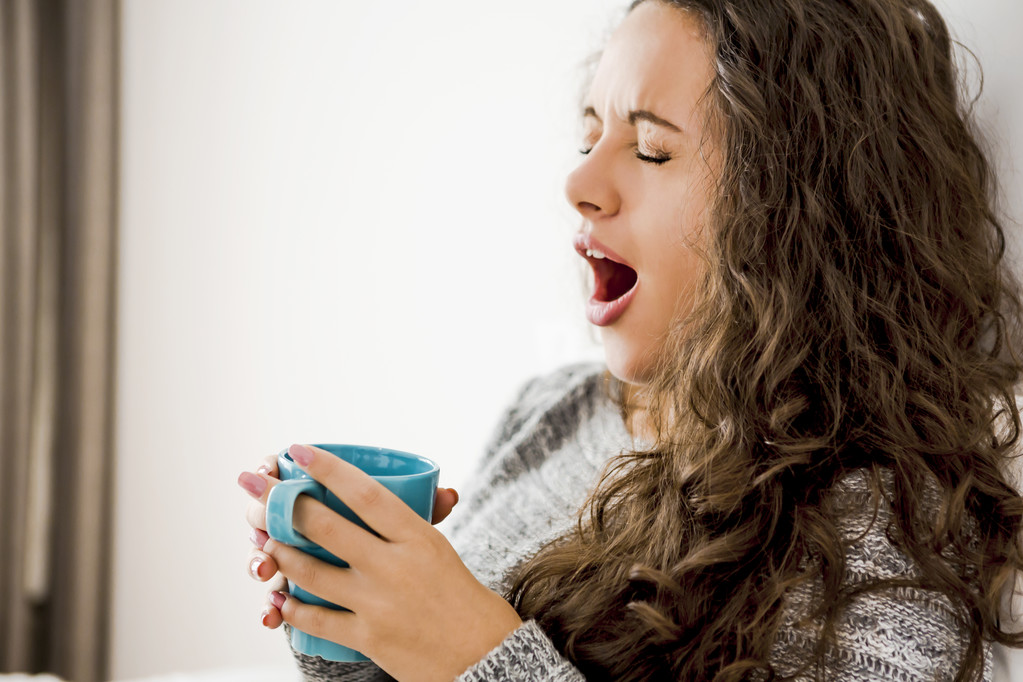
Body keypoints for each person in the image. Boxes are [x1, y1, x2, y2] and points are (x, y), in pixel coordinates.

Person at [237, 0, 1023, 679]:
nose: (577, 183)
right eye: (589, 138)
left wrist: (470, 654)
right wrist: (354, 622)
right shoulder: (554, 413)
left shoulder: (880, 539)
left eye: (651, 149)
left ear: (797, 216)